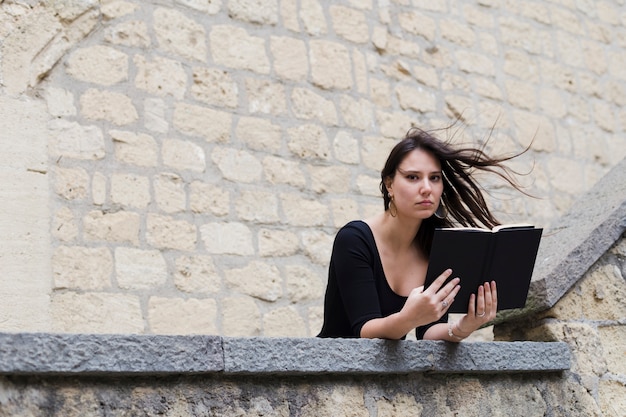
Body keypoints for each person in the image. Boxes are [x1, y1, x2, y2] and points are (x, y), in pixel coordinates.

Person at [317, 126, 528, 341]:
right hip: (333, 368)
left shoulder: (436, 246)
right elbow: (365, 331)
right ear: (389, 184)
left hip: (387, 374)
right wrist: (408, 318)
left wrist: (466, 325)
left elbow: (428, 333)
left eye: (434, 178)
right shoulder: (354, 239)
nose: (426, 188)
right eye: (412, 177)